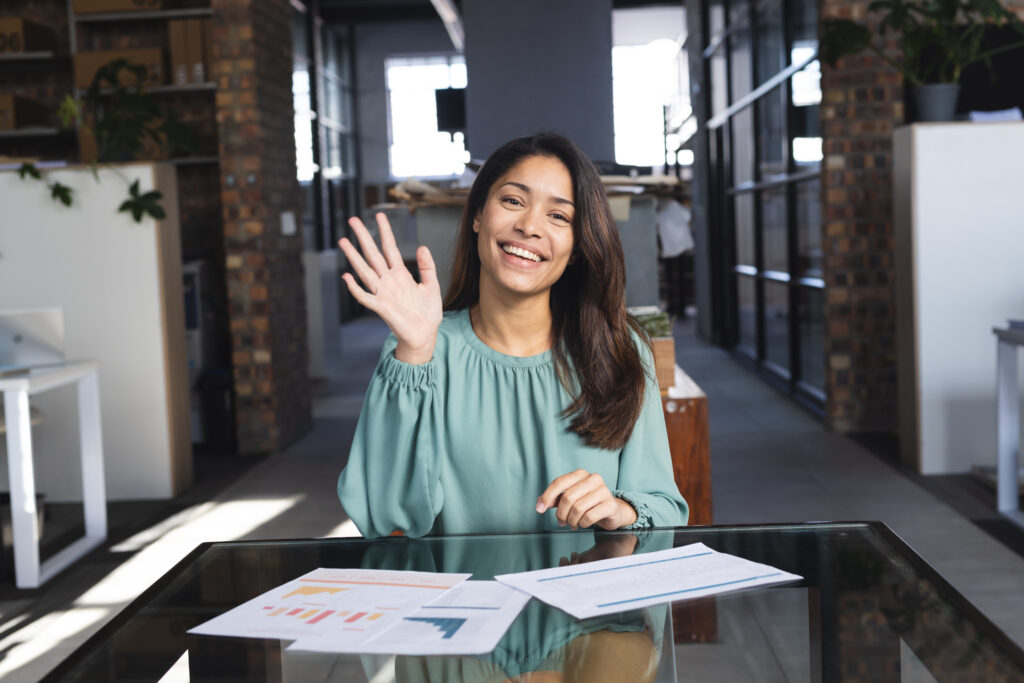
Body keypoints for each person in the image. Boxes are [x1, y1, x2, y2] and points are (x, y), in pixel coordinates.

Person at [337, 132, 687, 538]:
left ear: (576, 247)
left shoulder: (619, 349)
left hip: (582, 601)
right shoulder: (419, 350)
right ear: (478, 215)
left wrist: (621, 510)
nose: (529, 227)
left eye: (559, 216)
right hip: (466, 599)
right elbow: (382, 517)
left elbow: (665, 511)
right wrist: (415, 350)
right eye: (513, 201)